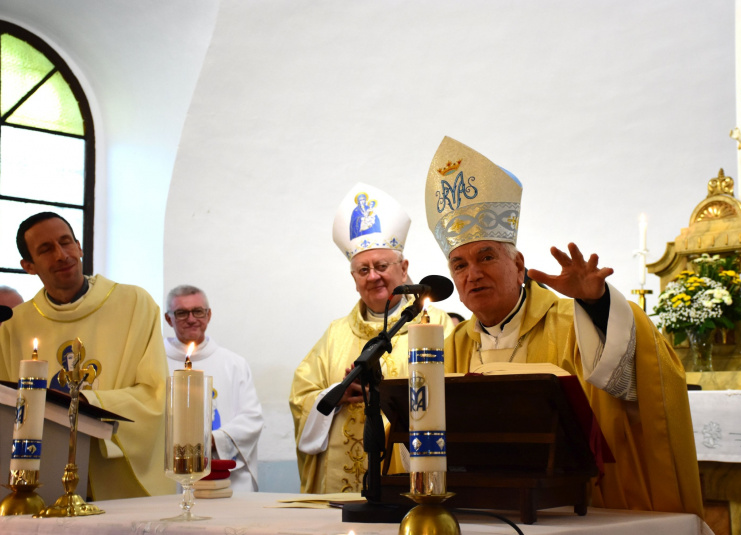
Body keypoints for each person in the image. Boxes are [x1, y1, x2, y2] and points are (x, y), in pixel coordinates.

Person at [424, 137, 704, 516]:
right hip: (482, 508)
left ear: (519, 266)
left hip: (578, 508)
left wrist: (597, 304)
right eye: (459, 265)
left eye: (486, 257)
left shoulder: (574, 324)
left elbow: (639, 379)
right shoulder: (450, 346)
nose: (472, 274)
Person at [290, 182, 454, 494]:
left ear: (403, 269)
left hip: (408, 476)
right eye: (362, 270)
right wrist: (337, 393)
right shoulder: (335, 334)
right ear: (354, 279)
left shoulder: (439, 327)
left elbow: (454, 396)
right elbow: (301, 400)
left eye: (381, 266)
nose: (373, 277)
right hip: (339, 490)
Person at [0, 212, 174, 500]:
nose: (62, 255)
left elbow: (155, 395)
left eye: (66, 242)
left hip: (119, 485)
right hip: (45, 480)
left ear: (79, 247)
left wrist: (88, 402)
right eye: (46, 249)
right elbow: (8, 411)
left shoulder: (135, 304)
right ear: (28, 266)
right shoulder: (13, 325)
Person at [164, 284, 263, 492]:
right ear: (168, 319)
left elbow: (251, 418)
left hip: (225, 477)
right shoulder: (155, 362)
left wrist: (210, 441)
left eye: (198, 311)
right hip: (170, 476)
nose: (191, 319)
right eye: (181, 313)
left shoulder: (234, 364)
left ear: (208, 315)